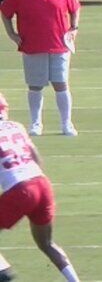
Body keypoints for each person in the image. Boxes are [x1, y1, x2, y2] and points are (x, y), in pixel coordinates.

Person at [0, 93, 80, 282]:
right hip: (41, 183)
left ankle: (4, 274)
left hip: (20, 189)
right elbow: (36, 158)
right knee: (47, 243)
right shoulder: (17, 126)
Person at [1, 0, 80, 137]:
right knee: (35, 86)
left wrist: (74, 28)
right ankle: (36, 123)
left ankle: (66, 123)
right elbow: (5, 12)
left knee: (61, 84)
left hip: (59, 44)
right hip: (33, 44)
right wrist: (11, 34)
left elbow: (74, 7)